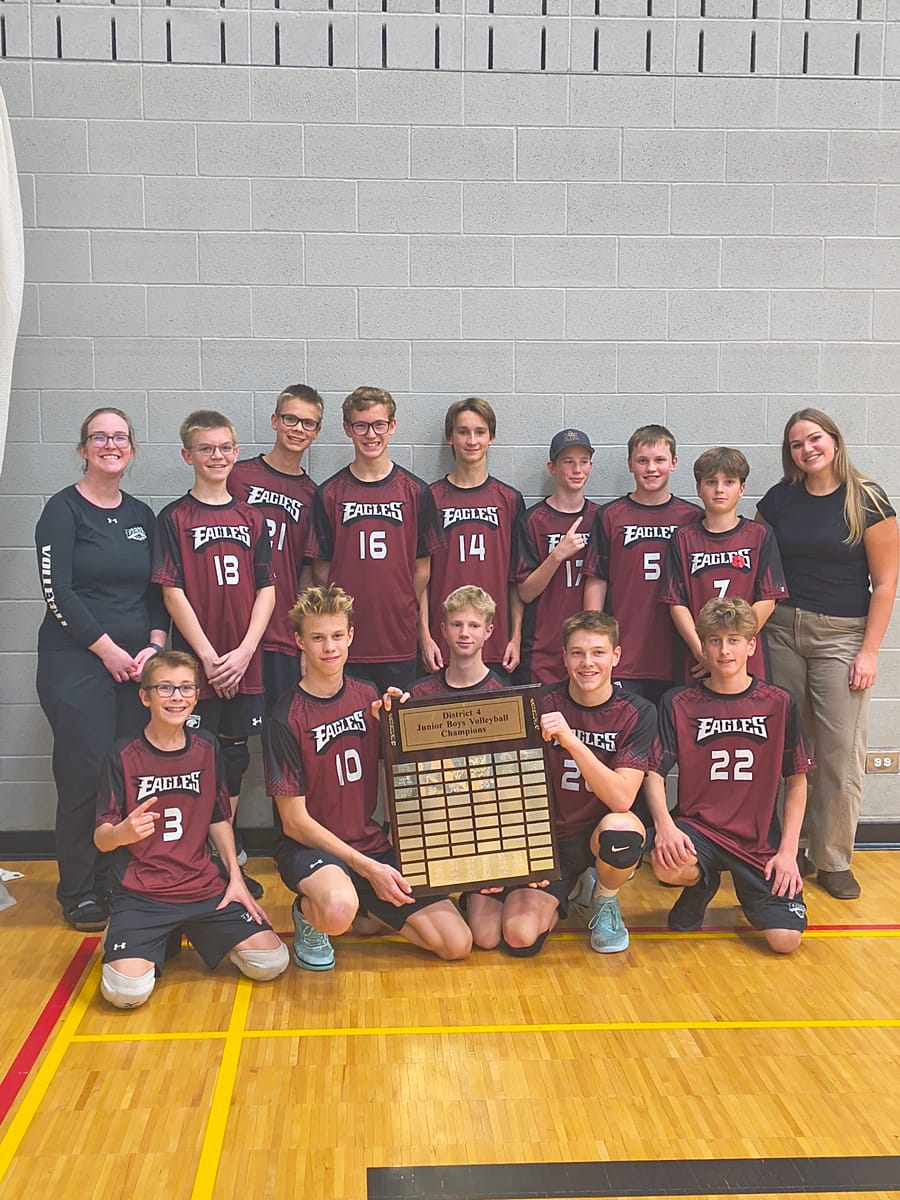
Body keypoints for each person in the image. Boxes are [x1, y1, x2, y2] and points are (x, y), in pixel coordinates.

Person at [263, 585, 472, 971]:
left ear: (351, 636)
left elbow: (405, 772)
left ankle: (368, 909)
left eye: (337, 635)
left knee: (456, 943)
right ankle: (310, 914)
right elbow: (294, 823)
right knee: (337, 910)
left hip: (368, 842)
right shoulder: (285, 717)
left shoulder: (368, 696)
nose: (329, 647)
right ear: (299, 642)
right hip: (310, 850)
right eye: (318, 638)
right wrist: (367, 867)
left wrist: (399, 727)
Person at [757, 408, 899, 899]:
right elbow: (755, 563)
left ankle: (833, 857)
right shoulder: (780, 499)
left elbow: (885, 584)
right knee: (788, 746)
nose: (807, 449)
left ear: (834, 440)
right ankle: (790, 849)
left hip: (842, 635)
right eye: (797, 444)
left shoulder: (868, 499)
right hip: (781, 630)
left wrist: (869, 652)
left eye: (814, 438)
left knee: (839, 751)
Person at [35, 407, 168, 931]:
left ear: (131, 448)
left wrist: (154, 646)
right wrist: (107, 649)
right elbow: (57, 593)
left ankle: (118, 880)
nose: (111, 445)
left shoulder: (141, 515)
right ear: (83, 448)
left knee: (129, 774)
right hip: (78, 664)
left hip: (137, 668)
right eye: (99, 437)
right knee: (85, 775)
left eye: (120, 437)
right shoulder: (62, 510)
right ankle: (79, 889)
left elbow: (156, 590)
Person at [94, 651, 288, 1009]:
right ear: (145, 697)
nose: (177, 697)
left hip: (202, 889)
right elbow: (101, 839)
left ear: (197, 696)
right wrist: (122, 833)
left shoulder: (207, 747)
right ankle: (129, 931)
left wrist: (235, 879)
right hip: (143, 894)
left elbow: (218, 818)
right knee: (126, 993)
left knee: (271, 962)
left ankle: (188, 929)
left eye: (186, 688)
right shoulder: (123, 754)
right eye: (165, 688)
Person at [465, 610, 656, 957]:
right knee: (500, 936)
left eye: (598, 652)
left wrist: (571, 741)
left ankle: (604, 898)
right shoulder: (538, 702)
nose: (588, 663)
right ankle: (569, 890)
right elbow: (504, 783)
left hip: (595, 833)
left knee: (623, 831)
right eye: (578, 653)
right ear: (565, 657)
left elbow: (621, 798)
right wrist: (518, 851)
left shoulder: (638, 712)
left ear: (616, 656)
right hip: (544, 836)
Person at [151, 410, 275, 899]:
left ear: (236, 452)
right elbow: (171, 591)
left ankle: (226, 861)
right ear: (188, 455)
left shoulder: (252, 517)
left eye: (224, 447)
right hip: (196, 665)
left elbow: (267, 589)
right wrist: (206, 656)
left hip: (243, 661)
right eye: (206, 448)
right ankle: (193, 859)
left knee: (234, 758)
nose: (216, 456)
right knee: (195, 757)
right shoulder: (174, 518)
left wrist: (243, 652)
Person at [646, 598, 813, 954]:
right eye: (715, 641)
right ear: (703, 647)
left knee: (786, 941)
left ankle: (748, 891)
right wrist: (665, 826)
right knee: (665, 864)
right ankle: (700, 884)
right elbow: (653, 773)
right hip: (700, 830)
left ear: (751, 646)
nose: (724, 651)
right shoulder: (678, 703)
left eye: (734, 640)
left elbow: (797, 780)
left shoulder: (779, 702)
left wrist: (788, 853)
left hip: (757, 840)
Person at [311, 387, 444, 694]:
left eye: (379, 425)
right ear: (347, 429)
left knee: (395, 720)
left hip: (397, 638)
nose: (371, 435)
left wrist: (398, 603)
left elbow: (422, 568)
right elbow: (321, 570)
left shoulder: (416, 491)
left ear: (392, 426)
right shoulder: (329, 493)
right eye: (361, 426)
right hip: (344, 640)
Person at [582, 424, 697, 703]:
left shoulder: (692, 517)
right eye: (642, 460)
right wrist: (593, 640)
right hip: (626, 651)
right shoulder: (610, 516)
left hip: (678, 652)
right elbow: (597, 578)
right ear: (630, 464)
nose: (651, 468)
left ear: (674, 463)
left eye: (659, 460)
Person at [230, 384, 323, 709]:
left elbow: (308, 575)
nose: (298, 429)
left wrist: (306, 639)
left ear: (316, 431)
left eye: (307, 423)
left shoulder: (313, 495)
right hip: (234, 628)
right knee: (230, 735)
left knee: (280, 728)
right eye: (290, 419)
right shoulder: (237, 477)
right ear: (274, 420)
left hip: (282, 634)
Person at [661, 446, 787, 682]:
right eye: (711, 482)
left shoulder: (760, 536)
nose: (719, 489)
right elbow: (676, 603)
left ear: (742, 489)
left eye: (729, 482)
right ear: (698, 489)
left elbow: (767, 599)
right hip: (698, 658)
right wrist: (703, 652)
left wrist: (734, 648)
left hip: (747, 658)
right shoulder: (683, 538)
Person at [419, 398, 525, 677]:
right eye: (463, 431)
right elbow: (421, 578)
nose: (472, 440)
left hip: (497, 644)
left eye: (480, 432)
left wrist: (515, 637)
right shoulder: (430, 497)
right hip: (442, 643)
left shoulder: (509, 499)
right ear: (450, 437)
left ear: (492, 437)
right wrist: (425, 636)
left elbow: (516, 579)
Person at [515, 429, 600, 685]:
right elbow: (525, 593)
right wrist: (557, 556)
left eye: (583, 462)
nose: (577, 470)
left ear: (591, 466)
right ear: (552, 467)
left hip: (587, 647)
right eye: (568, 462)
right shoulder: (532, 520)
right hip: (542, 646)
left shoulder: (601, 518)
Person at [409, 586, 507, 699]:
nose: (464, 633)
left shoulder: (504, 695)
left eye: (474, 626)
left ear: (488, 631)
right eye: (457, 625)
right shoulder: (418, 694)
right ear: (444, 630)